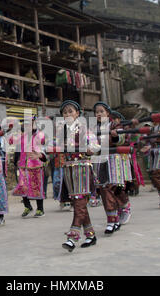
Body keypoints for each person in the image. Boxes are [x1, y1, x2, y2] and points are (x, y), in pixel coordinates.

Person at [57, 100, 99, 252]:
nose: (67, 114)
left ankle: (72, 236)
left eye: (70, 111)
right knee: (77, 201)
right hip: (68, 169)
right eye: (65, 112)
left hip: (82, 167)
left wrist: (90, 149)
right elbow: (55, 147)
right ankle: (90, 234)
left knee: (80, 201)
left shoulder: (83, 128)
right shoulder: (62, 131)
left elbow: (95, 145)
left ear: (77, 114)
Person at [93, 102, 130, 234]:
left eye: (101, 111)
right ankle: (111, 220)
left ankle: (125, 206)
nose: (99, 114)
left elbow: (121, 140)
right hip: (100, 160)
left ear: (108, 113)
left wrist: (116, 136)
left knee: (117, 189)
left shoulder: (115, 125)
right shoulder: (93, 129)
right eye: (96, 112)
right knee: (104, 188)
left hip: (115, 159)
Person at [11, 116, 47, 217]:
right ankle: (27, 206)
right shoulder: (22, 136)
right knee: (23, 186)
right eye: (26, 124)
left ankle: (40, 209)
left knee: (37, 186)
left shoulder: (40, 135)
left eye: (30, 123)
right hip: (23, 165)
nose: (27, 125)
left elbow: (44, 143)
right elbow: (12, 141)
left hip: (36, 164)